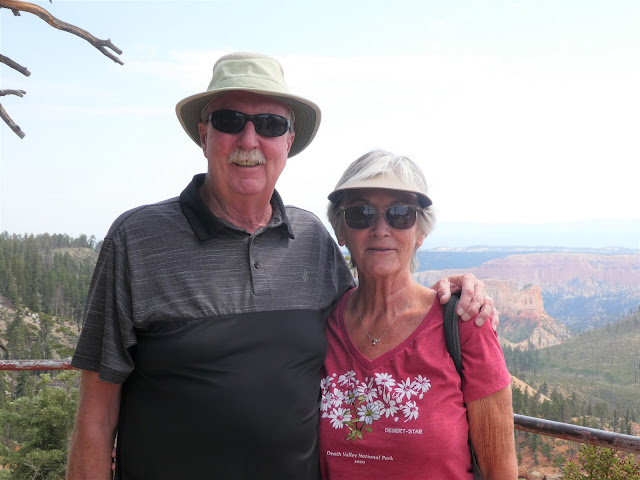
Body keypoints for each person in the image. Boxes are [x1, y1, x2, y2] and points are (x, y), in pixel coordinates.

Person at [66, 52, 497, 480]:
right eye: (229, 120)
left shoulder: (312, 241)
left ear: (288, 141)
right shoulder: (137, 240)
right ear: (204, 134)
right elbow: (95, 419)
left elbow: (376, 309)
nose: (249, 140)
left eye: (270, 124)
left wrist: (458, 290)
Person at [320, 150, 517, 479]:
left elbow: (500, 471)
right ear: (341, 230)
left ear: (421, 233)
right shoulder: (323, 326)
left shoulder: (464, 324)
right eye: (360, 214)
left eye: (399, 214)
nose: (380, 229)